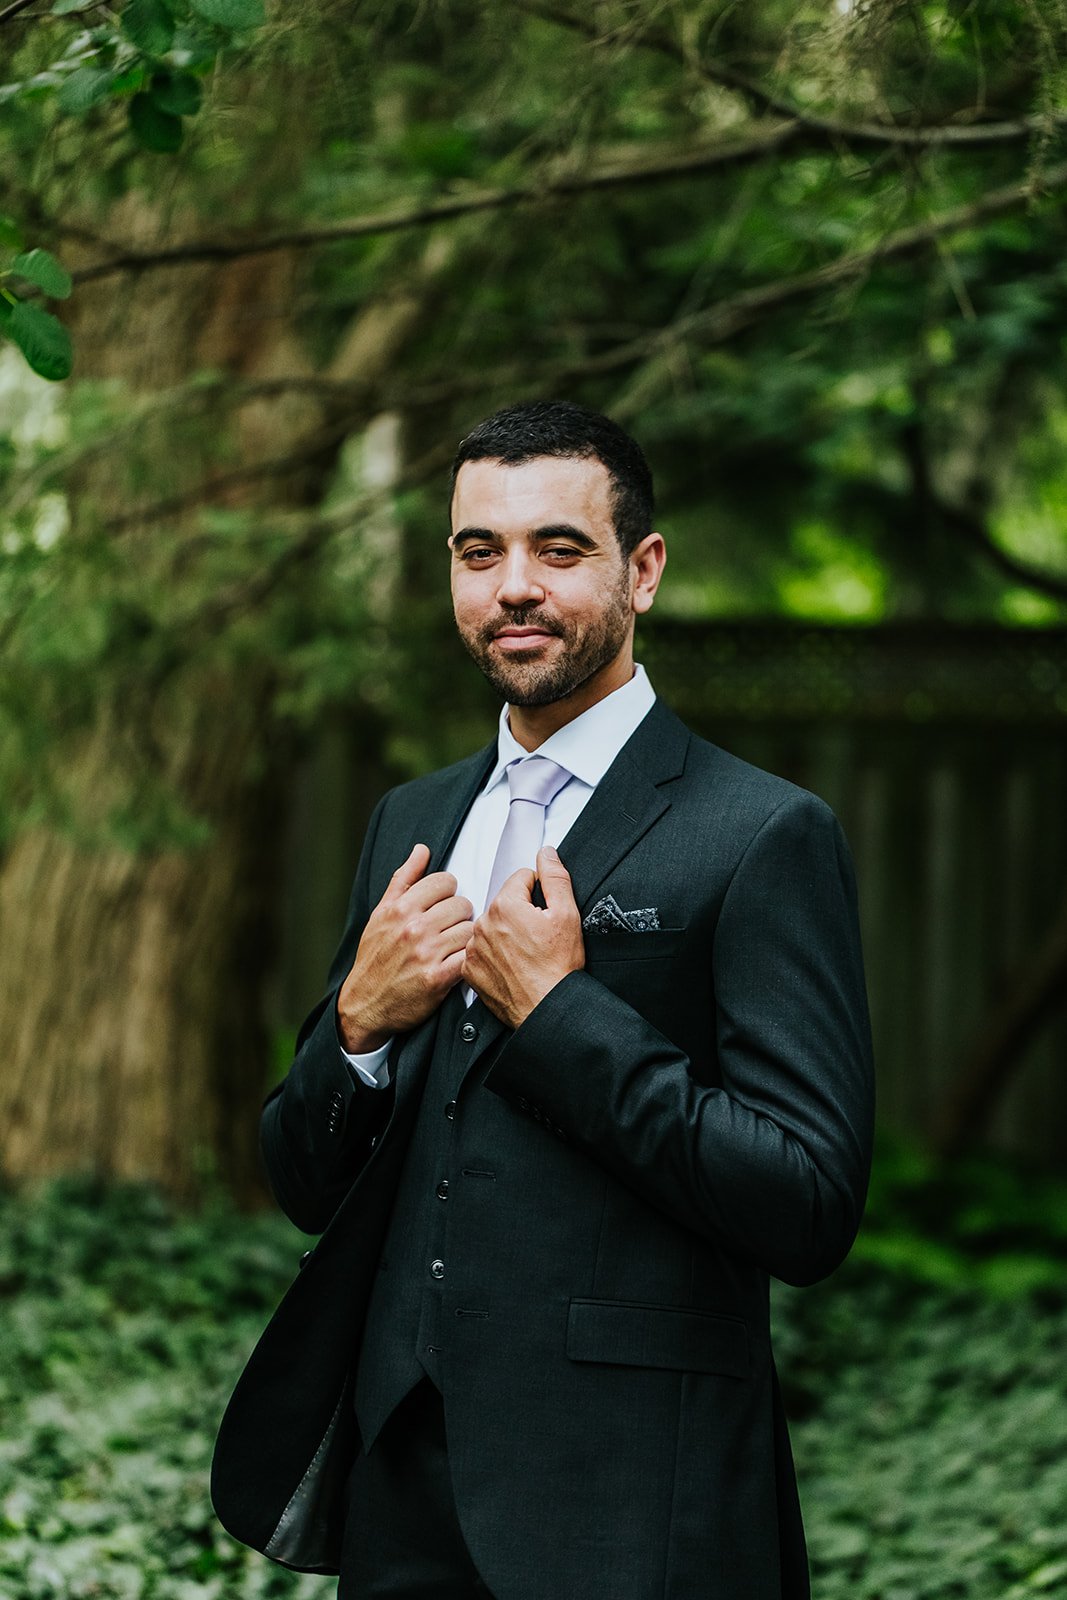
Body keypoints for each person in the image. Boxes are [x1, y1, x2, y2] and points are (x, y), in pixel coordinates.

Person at [211, 400, 875, 1599]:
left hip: (628, 1502)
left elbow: (808, 1201)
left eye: (557, 549)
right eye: (479, 552)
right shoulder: (410, 822)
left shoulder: (761, 833)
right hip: (398, 1482)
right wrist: (356, 1025)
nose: (512, 585)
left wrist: (563, 1015)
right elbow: (304, 1178)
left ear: (643, 569)